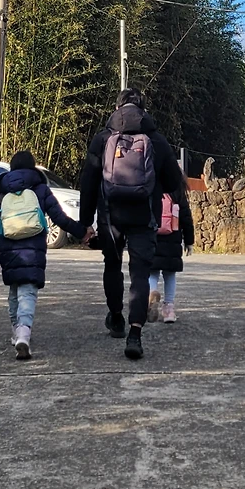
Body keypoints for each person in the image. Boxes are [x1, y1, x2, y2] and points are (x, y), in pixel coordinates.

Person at [78, 88, 187, 360]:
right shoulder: (156, 139)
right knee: (140, 273)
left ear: (117, 108)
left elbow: (88, 182)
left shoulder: (103, 138)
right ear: (143, 110)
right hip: (144, 215)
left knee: (112, 266)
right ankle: (135, 334)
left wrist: (85, 223)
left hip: (110, 215)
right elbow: (174, 182)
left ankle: (116, 317)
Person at [0, 151, 93, 360]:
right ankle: (23, 333)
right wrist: (82, 233)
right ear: (33, 168)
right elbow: (60, 218)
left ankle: (16, 331)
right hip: (33, 250)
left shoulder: (5, 192)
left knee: (14, 292)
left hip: (8, 250)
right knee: (28, 292)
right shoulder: (41, 189)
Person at [149, 179, 195, 323]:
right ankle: (168, 310)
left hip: (152, 236)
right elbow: (186, 217)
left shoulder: (151, 185)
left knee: (152, 272)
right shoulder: (177, 190)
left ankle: (151, 294)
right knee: (169, 274)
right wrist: (189, 241)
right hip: (172, 238)